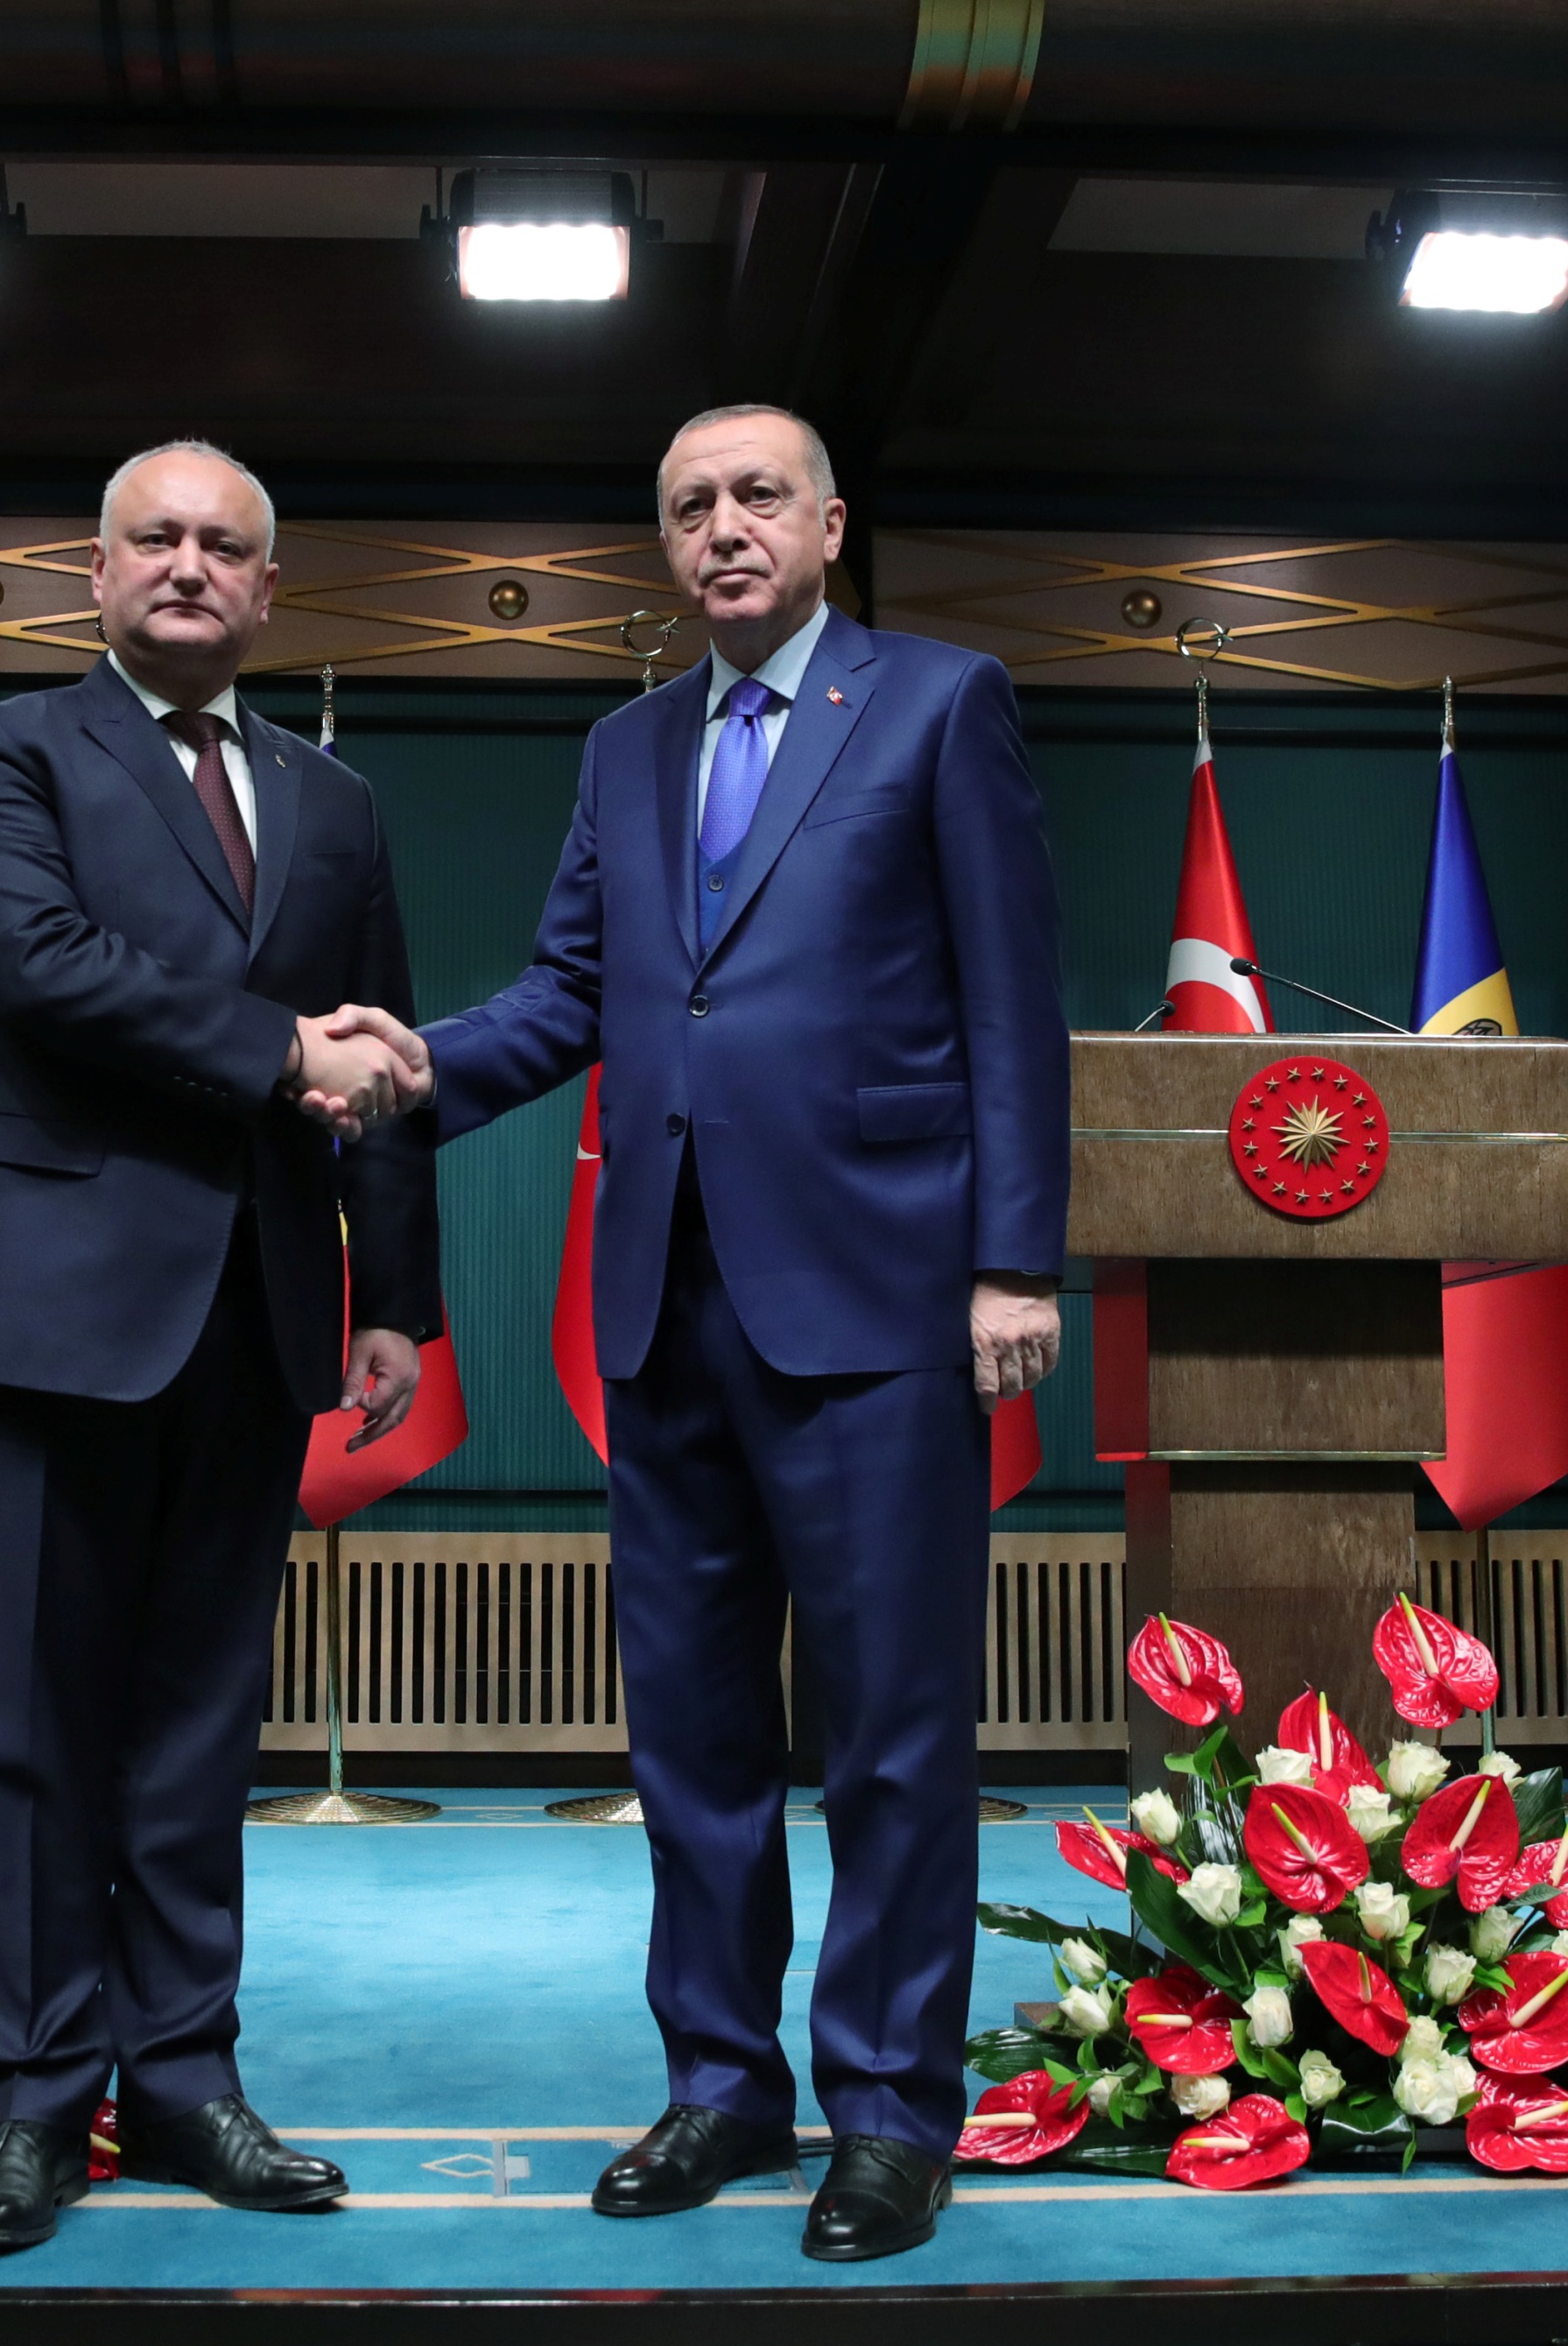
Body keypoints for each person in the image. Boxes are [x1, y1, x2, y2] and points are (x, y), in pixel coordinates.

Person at [377, 403, 1069, 2260]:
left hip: (881, 1302)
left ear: (832, 524)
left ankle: (892, 2112)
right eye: (690, 506)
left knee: (894, 1736)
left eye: (760, 496)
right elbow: (574, 991)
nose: (724, 528)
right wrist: (420, 1067)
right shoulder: (623, 745)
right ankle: (720, 2085)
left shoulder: (942, 703)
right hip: (662, 1307)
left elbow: (1013, 1000)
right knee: (690, 1740)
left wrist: (1015, 1261)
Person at [0, 439, 440, 2256]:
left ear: (270, 589)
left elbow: (391, 1052)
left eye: (226, 545)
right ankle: (30, 2097)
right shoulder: (2, 749)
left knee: (204, 1725)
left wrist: (397, 1296)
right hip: (65, 1303)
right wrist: (283, 1050)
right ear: (98, 568)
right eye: (157, 538)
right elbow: (40, 960)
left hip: (264, 1306)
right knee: (44, 1725)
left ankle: (183, 2075)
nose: (190, 565)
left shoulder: (335, 798)